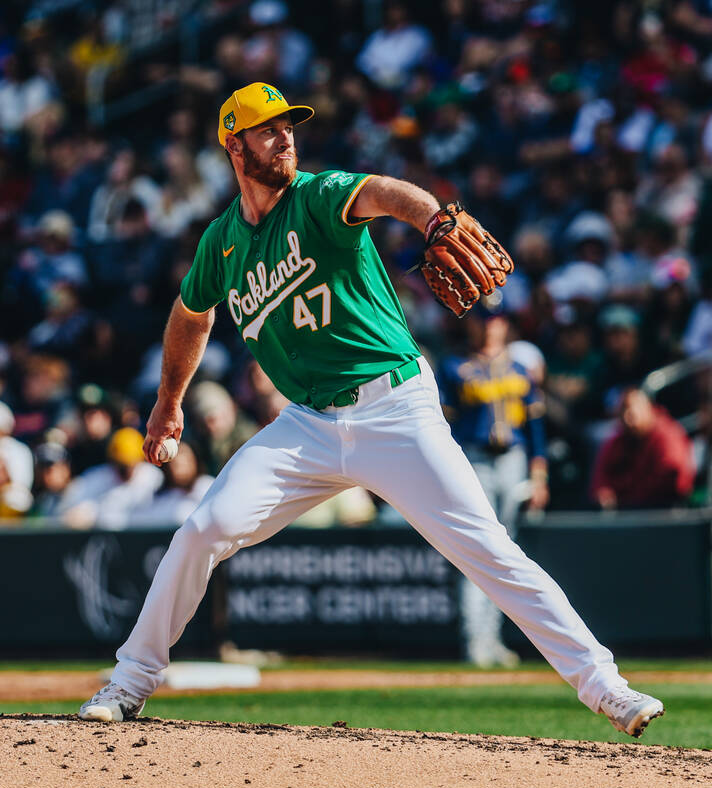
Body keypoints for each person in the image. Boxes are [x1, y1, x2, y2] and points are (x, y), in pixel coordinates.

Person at [78, 82, 664, 738]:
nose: (285, 136)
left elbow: (385, 191)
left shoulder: (318, 195)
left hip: (395, 409)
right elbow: (191, 315)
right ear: (233, 145)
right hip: (307, 424)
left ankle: (606, 686)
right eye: (267, 128)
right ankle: (129, 683)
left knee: (489, 552)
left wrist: (434, 219)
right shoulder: (221, 243)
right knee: (202, 531)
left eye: (288, 125)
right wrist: (167, 403)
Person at [439, 299, 550, 669]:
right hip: (475, 457)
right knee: (477, 547)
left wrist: (539, 472)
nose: (489, 327)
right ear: (470, 324)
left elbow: (535, 425)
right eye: (482, 320)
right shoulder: (455, 366)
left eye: (496, 320)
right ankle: (477, 639)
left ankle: (494, 639)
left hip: (513, 459)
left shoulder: (520, 367)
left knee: (505, 551)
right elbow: (444, 425)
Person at [591, 388, 695, 510]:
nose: (627, 418)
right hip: (626, 514)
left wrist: (627, 496)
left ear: (648, 408)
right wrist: (604, 493)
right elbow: (600, 478)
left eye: (631, 411)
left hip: (663, 513)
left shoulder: (668, 436)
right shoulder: (618, 440)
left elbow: (674, 479)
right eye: (622, 412)